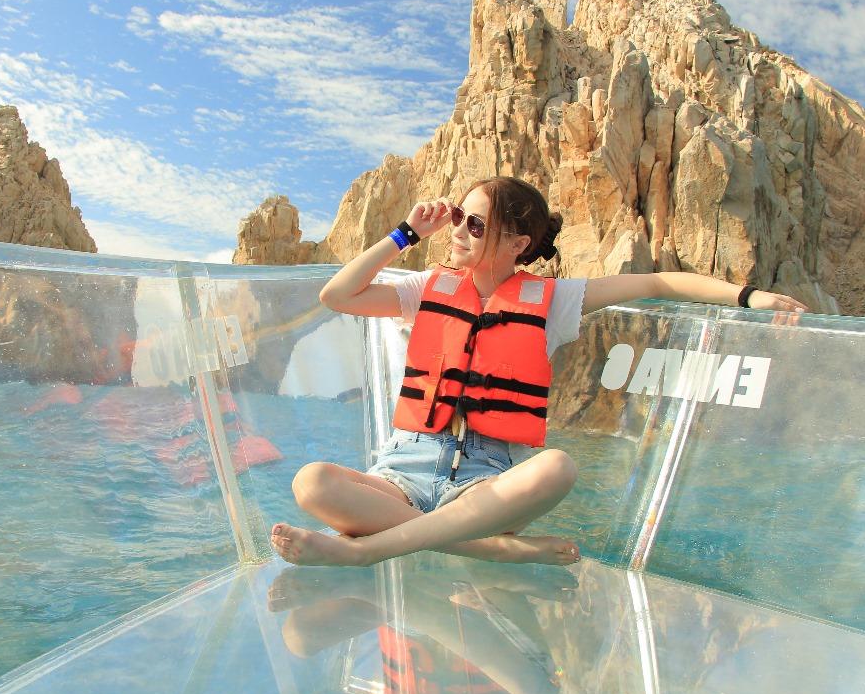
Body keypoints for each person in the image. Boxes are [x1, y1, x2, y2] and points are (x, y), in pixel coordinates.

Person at [270, 177, 807, 568]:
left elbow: (658, 283)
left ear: (518, 243)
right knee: (311, 482)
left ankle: (365, 552)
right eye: (458, 218)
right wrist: (407, 232)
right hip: (401, 474)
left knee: (557, 468)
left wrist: (750, 296)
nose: (458, 232)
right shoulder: (425, 288)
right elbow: (337, 295)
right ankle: (487, 549)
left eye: (476, 224)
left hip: (484, 483)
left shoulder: (553, 301)